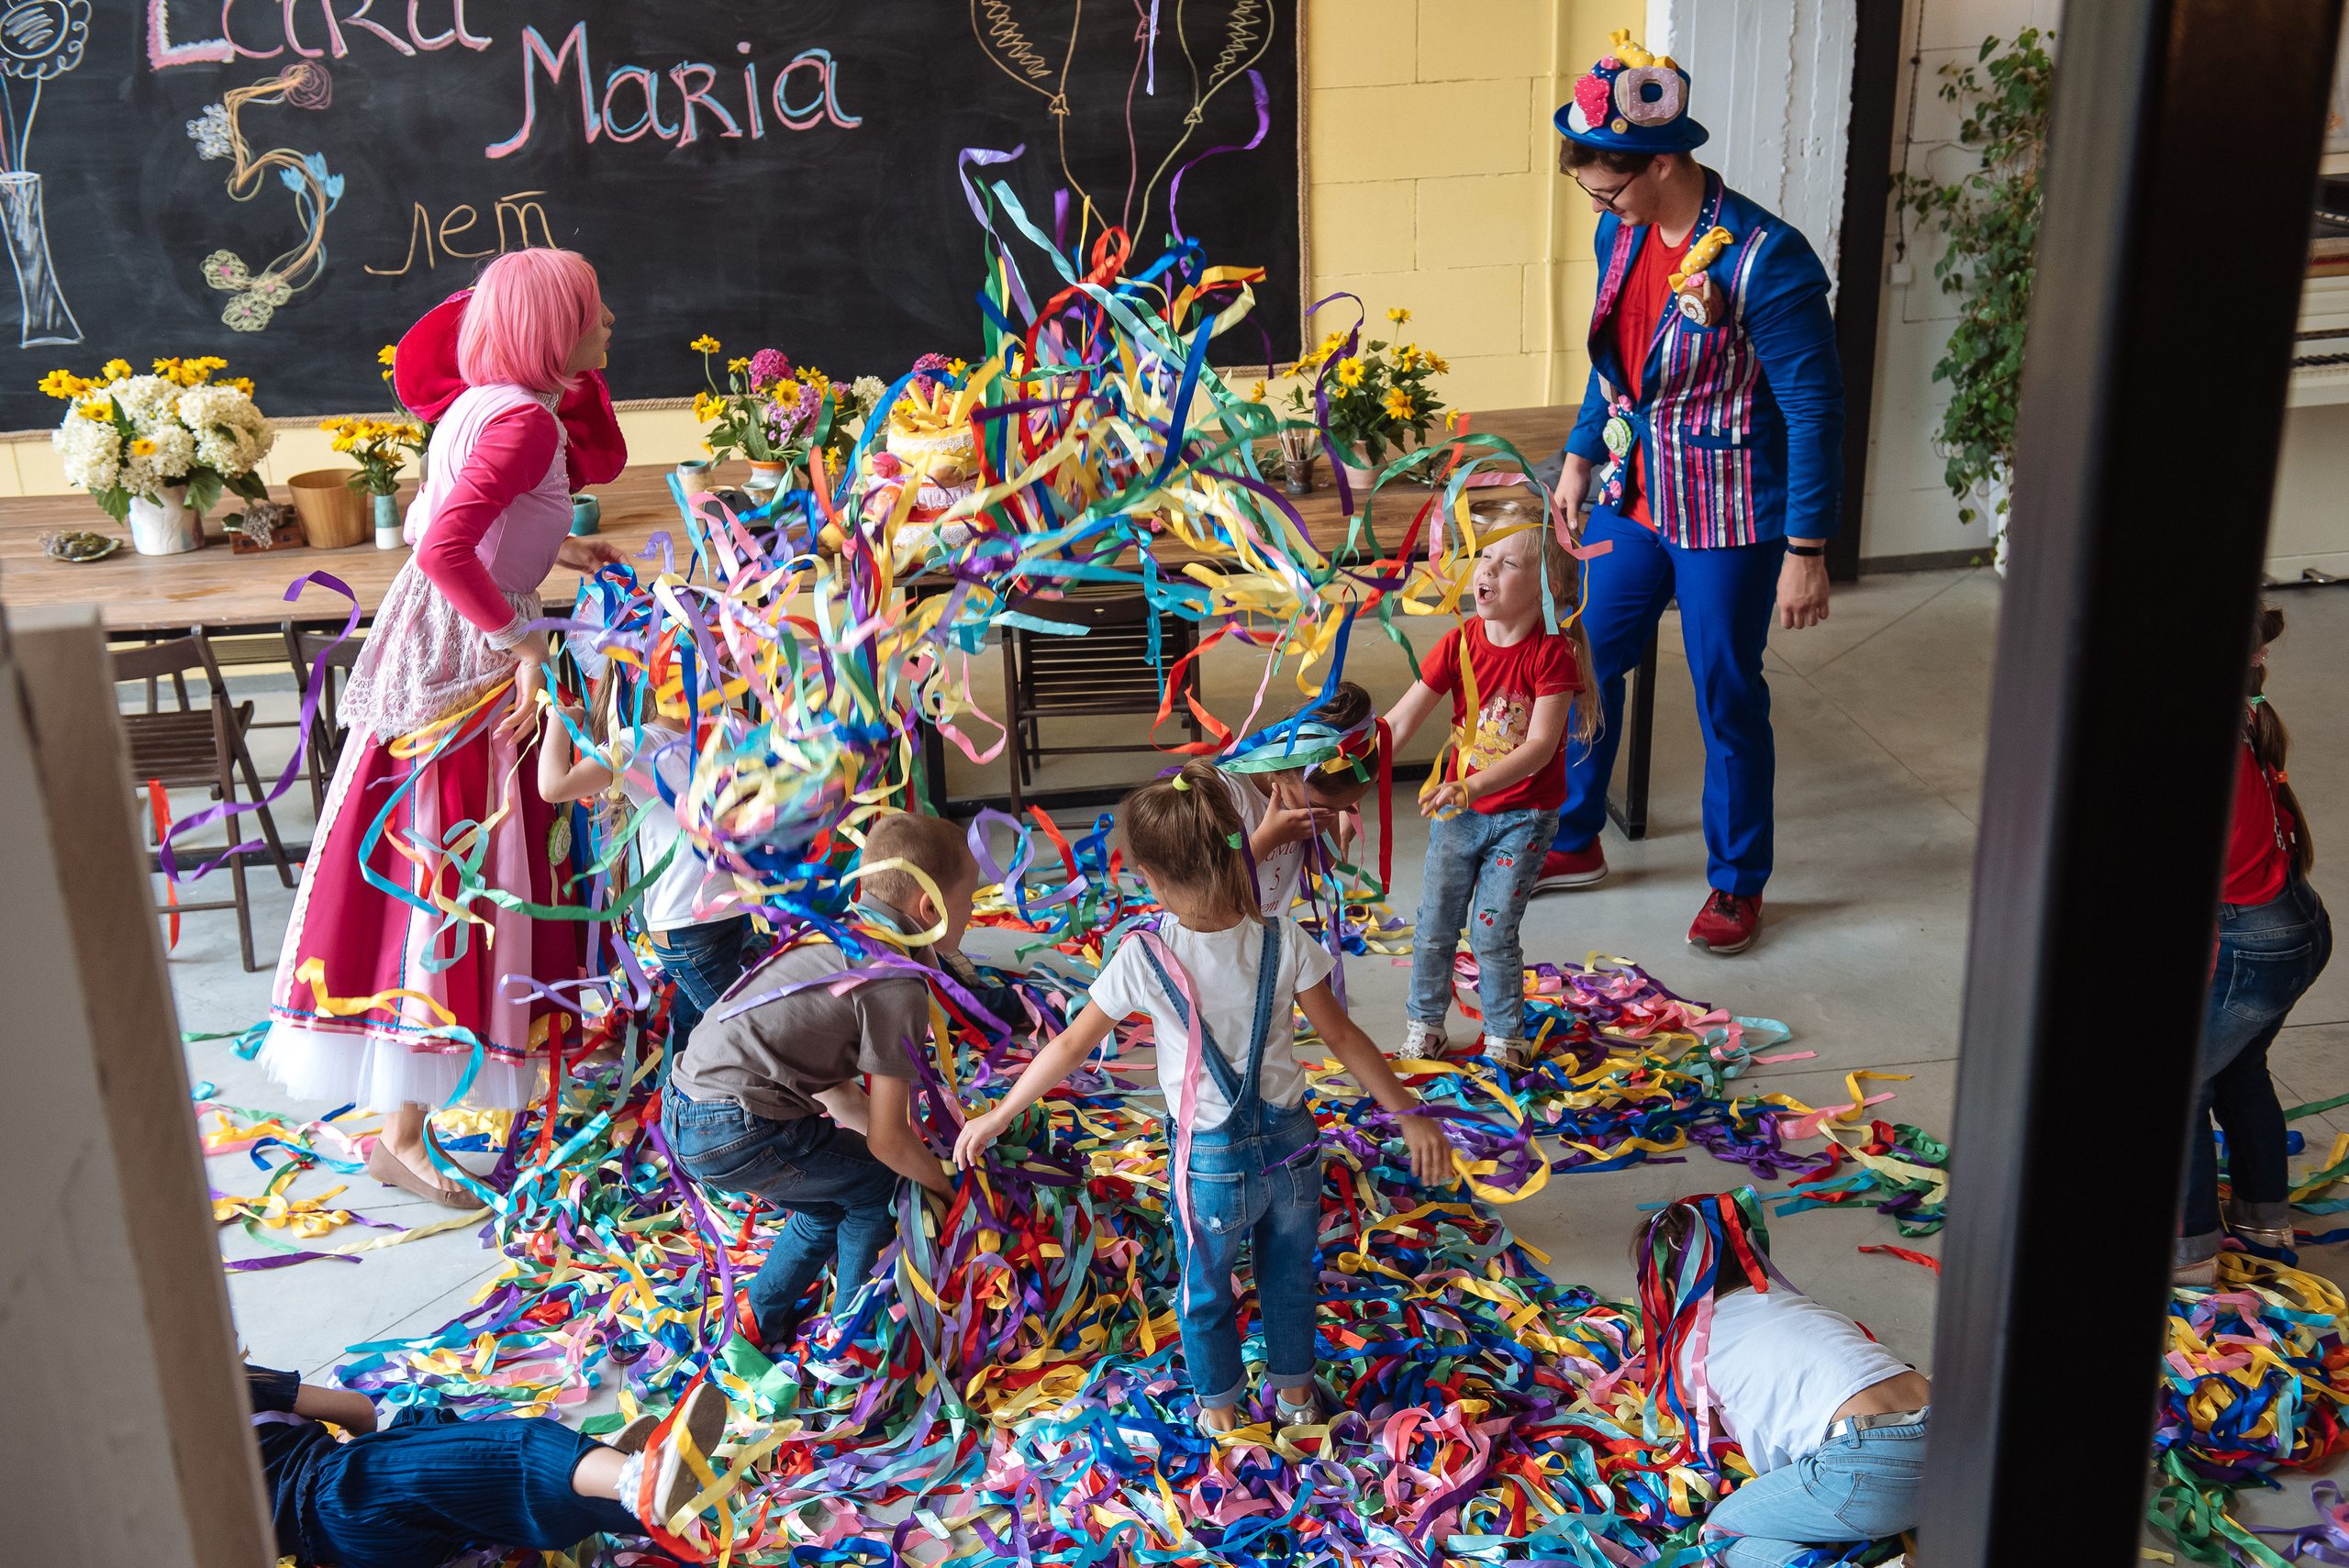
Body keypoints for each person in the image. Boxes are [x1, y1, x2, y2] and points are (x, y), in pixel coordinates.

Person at [262, 250, 629, 1205]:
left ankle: (426, 1110)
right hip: (469, 664)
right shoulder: (521, 421)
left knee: (447, 871)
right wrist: (526, 645)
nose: (610, 322)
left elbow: (461, 520)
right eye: (593, 310)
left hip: (441, 644)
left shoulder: (485, 402)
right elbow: (444, 542)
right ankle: (404, 1133)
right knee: (454, 873)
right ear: (557, 329)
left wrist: (561, 547)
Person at [952, 759, 1453, 1435]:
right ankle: (1298, 1401)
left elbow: (1070, 1047)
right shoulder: (1285, 938)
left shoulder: (1143, 955)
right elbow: (1345, 1036)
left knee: (1207, 1292)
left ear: (1149, 879)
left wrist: (1000, 1111)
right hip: (1294, 1153)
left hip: (1210, 1167)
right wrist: (1410, 1113)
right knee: (1289, 1280)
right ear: (1237, 846)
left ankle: (1222, 1412)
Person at [1532, 31, 1845, 957]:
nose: (1598, 204)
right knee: (1582, 654)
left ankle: (1736, 880)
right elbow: (1612, 362)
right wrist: (1583, 455)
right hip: (1636, 490)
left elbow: (1814, 409)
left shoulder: (1766, 259)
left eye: (1607, 185)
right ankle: (1577, 833)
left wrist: (1807, 551)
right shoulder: (1618, 228)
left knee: (1724, 691)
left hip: (1731, 510)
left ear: (1661, 161)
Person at [662, 810, 972, 1351]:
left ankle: (758, 1323)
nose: (973, 909)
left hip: (686, 1104)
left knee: (827, 1201)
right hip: (739, 1122)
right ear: (930, 908)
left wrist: (911, 1150)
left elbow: (838, 1093)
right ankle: (852, 1343)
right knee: (876, 1186)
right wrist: (946, 1187)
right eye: (970, 897)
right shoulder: (896, 985)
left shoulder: (834, 938)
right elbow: (887, 1140)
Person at [1381, 509, 1594, 1065]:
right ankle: (1426, 1026)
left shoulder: (1553, 655)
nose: (1488, 570)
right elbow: (1400, 722)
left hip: (1522, 818)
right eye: (1484, 555)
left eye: (1509, 562)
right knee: (1434, 926)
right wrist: (1351, 765)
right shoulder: (1458, 644)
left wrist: (1470, 787)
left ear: (1545, 584)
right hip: (1460, 814)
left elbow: (1540, 748)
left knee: (1492, 932)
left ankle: (1504, 1037)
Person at [1633, 1193, 1930, 1566]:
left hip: (1866, 1465)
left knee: (1721, 1536)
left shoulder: (1694, 1347)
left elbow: (1674, 1403)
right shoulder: (1799, 1304)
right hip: (1958, 1446)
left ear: (1670, 1287)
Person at [2176, 607, 2331, 1285]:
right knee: (2237, 1073)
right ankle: (2264, 1218)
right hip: (2292, 929)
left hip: (2258, 946)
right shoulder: (2241, 722)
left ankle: (2190, 1256)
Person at [243, 1360, 727, 1568]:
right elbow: (358, 1411)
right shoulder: (220, 1380)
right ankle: (632, 1478)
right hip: (341, 1490)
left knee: (496, 1500)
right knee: (509, 1451)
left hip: (350, 1552)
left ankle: (624, 1490)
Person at [540, 630, 751, 1065]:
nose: (710, 676)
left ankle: (671, 1117)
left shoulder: (730, 733)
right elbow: (553, 787)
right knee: (739, 1032)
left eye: (715, 665)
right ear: (651, 678)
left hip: (738, 912)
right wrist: (563, 721)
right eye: (689, 665)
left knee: (695, 1035)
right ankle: (701, 1122)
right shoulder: (638, 744)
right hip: (685, 926)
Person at [1215, 681, 1380, 921]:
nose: (1338, 815)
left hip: (1266, 934)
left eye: (1347, 807)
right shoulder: (1227, 793)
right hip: (1208, 943)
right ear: (1284, 769)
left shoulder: (1303, 798)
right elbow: (1205, 887)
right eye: (1326, 808)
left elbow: (1319, 864)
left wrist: (1330, 815)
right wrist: (1268, 838)